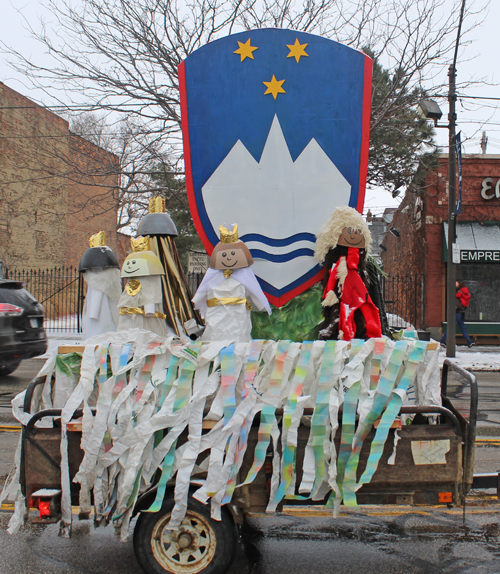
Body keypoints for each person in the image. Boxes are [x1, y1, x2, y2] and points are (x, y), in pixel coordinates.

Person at [440, 281, 474, 347]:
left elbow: (456, 302)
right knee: (462, 328)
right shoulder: (466, 293)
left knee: (451, 327)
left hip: (457, 312)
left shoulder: (458, 293)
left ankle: (442, 341)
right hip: (461, 312)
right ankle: (469, 342)